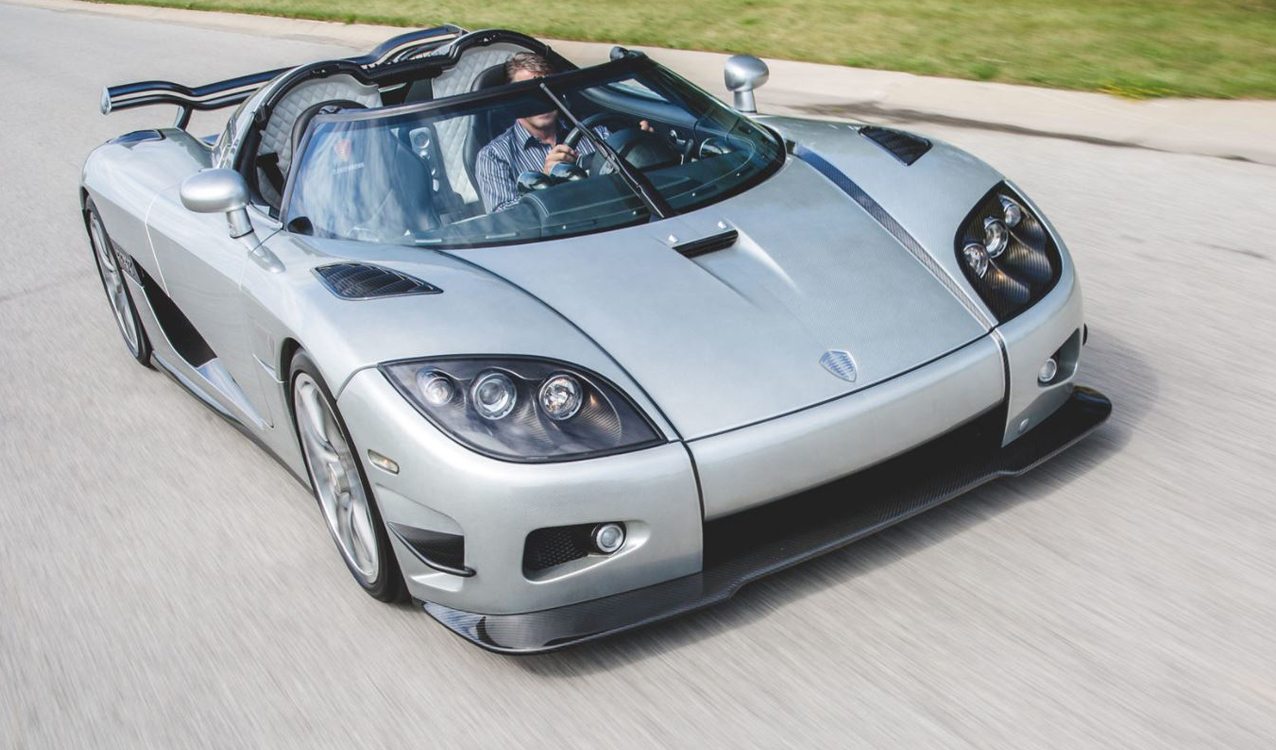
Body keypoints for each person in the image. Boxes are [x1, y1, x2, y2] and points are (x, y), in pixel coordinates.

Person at [474, 52, 649, 213]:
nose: (540, 102)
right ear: (513, 100)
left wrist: (640, 147)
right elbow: (503, 220)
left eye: (548, 91)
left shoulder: (594, 132)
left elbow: (631, 182)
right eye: (528, 94)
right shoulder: (493, 156)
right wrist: (544, 183)